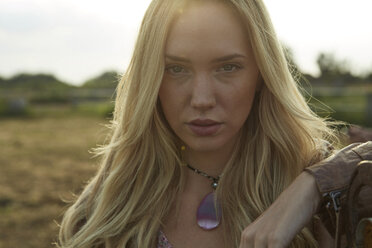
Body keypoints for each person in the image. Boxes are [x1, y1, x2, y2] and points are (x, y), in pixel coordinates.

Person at [58, 0, 372, 247]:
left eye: (228, 67)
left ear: (262, 74)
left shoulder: (324, 196)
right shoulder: (114, 197)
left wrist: (313, 185)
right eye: (176, 69)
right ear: (150, 77)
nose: (202, 99)